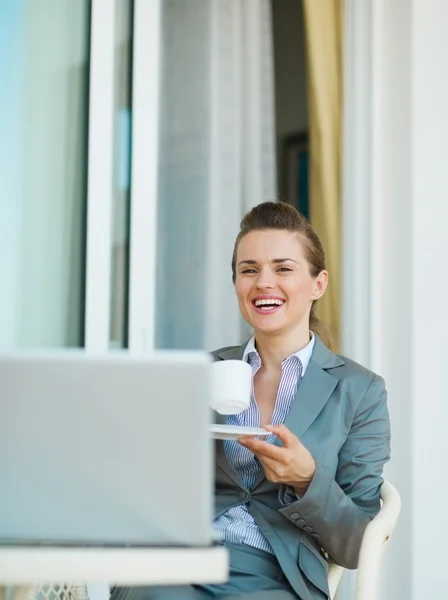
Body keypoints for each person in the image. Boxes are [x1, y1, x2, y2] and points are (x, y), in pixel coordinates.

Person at [112, 201, 391, 600]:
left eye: (283, 268)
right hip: (180, 561)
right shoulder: (203, 371)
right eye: (249, 270)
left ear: (318, 284)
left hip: (275, 574)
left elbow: (358, 544)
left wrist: (307, 480)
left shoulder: (359, 391)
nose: (263, 282)